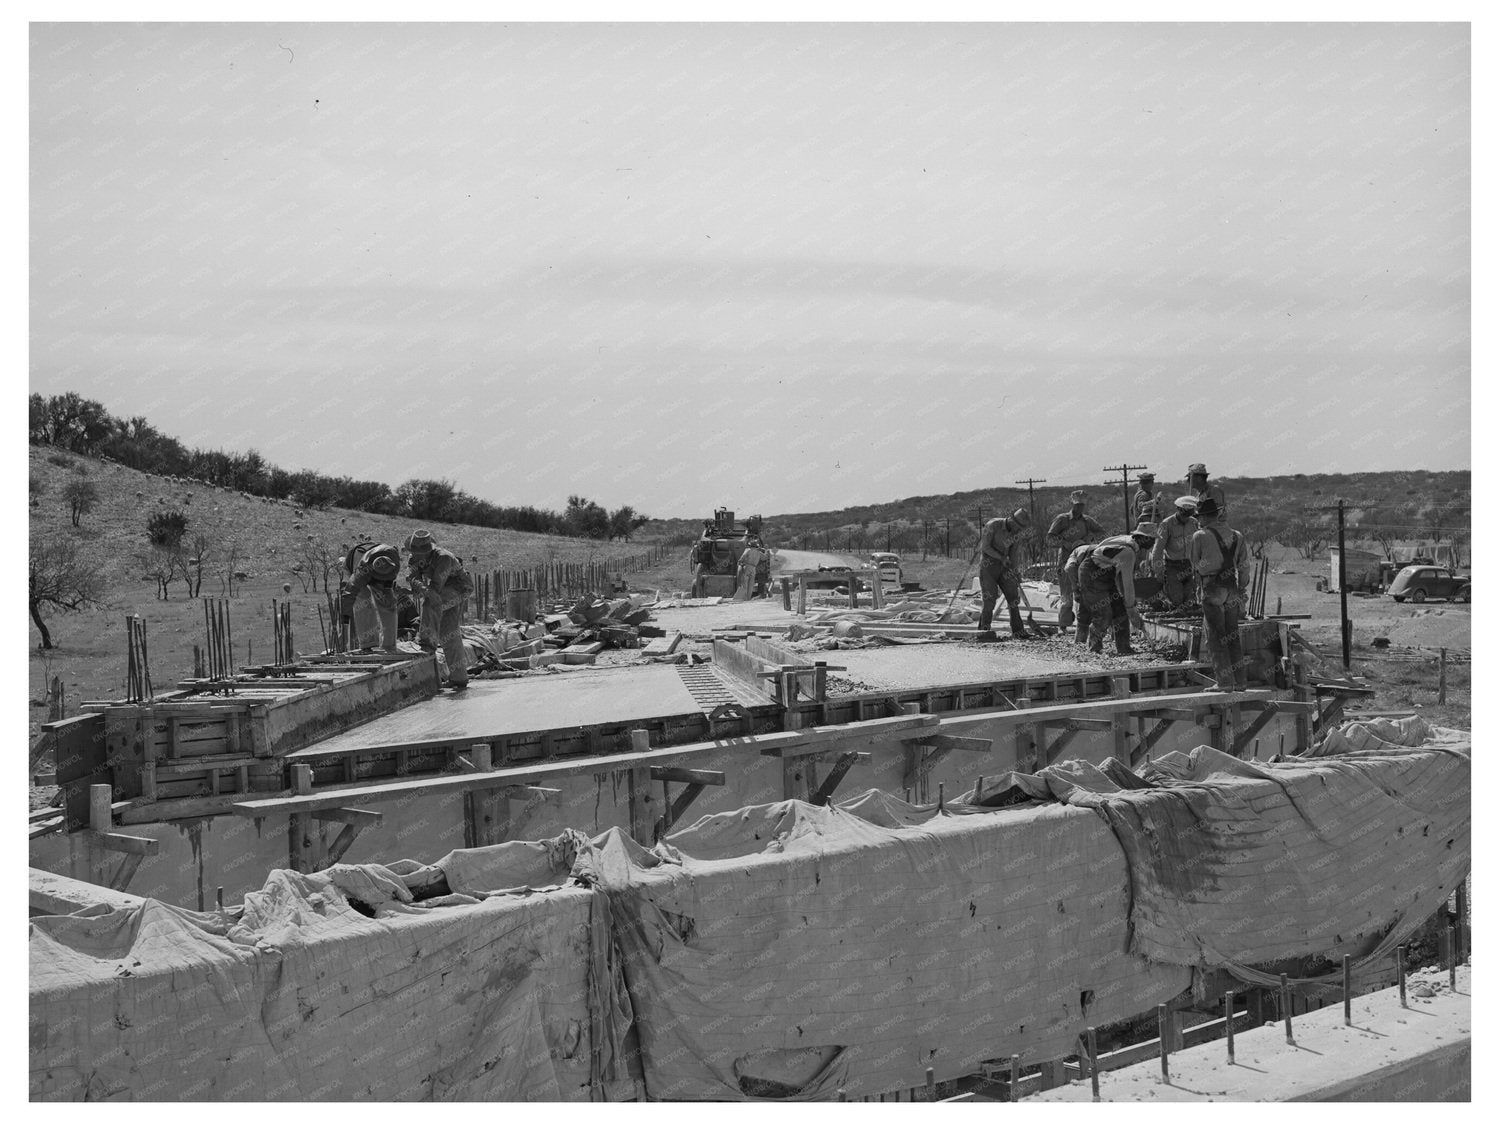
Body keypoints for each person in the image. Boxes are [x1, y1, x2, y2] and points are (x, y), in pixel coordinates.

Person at [1189, 498, 1249, 691]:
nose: (1198, 520)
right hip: (1232, 587)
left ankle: (1224, 683)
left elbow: (1194, 565)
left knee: (1215, 637)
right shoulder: (1237, 535)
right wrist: (1241, 589)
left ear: (1206, 516)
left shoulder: (1200, 536)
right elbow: (1244, 567)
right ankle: (1240, 682)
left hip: (1212, 587)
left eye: (1200, 517)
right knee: (1232, 636)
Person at [404, 529, 475, 690]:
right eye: (415, 552)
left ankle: (427, 643)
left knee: (430, 603)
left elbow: (435, 589)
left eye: (422, 552)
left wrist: (422, 589)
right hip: (439, 589)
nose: (418, 556)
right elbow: (414, 578)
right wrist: (419, 586)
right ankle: (459, 678)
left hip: (459, 587)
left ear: (429, 549)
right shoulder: (413, 558)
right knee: (448, 632)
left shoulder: (444, 558)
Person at [1075, 526, 1156, 655]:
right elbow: (1128, 583)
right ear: (1145, 539)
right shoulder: (1128, 552)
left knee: (1120, 611)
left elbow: (1121, 579)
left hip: (1106, 574)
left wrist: (1127, 606)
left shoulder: (1127, 542)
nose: (1154, 542)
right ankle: (1094, 648)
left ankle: (1124, 647)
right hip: (1091, 574)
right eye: (1153, 539)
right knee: (1104, 613)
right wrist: (1132, 609)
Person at [1045, 490, 1105, 631]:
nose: (1079, 508)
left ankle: (1084, 626)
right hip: (1065, 561)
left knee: (1085, 594)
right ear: (1072, 504)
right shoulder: (1062, 519)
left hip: (1083, 562)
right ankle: (1063, 626)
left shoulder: (1087, 521)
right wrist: (1064, 543)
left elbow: (1101, 532)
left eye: (1082, 505)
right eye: (1077, 505)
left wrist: (1088, 540)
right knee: (1067, 596)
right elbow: (1050, 537)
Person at [976, 507, 1034, 641]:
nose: (1017, 528)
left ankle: (1018, 631)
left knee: (1013, 598)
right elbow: (985, 547)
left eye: (1020, 527)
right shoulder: (993, 525)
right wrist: (1001, 558)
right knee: (989, 598)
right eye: (1017, 525)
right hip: (988, 565)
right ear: (1011, 519)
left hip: (1005, 566)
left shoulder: (1017, 533)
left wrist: (1015, 571)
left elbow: (1014, 554)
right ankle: (984, 631)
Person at [343, 541, 401, 652]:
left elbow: (389, 581)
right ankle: (368, 644)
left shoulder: (393, 560)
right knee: (363, 602)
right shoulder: (360, 573)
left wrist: (387, 591)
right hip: (356, 561)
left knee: (388, 603)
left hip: (377, 560)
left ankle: (389, 645)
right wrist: (345, 625)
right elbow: (348, 595)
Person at [1150, 498, 1200, 607]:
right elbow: (1157, 550)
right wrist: (1159, 572)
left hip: (1189, 565)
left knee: (1189, 601)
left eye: (1188, 516)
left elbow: (1197, 547)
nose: (1185, 518)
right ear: (1178, 510)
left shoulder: (1194, 523)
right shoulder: (1166, 524)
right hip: (1172, 566)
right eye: (1183, 515)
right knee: (1176, 600)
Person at [1061, 540, 1099, 645]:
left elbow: (1069, 568)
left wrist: (1075, 589)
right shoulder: (1093, 547)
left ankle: (1080, 640)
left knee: (1084, 608)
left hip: (1088, 577)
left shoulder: (1075, 554)